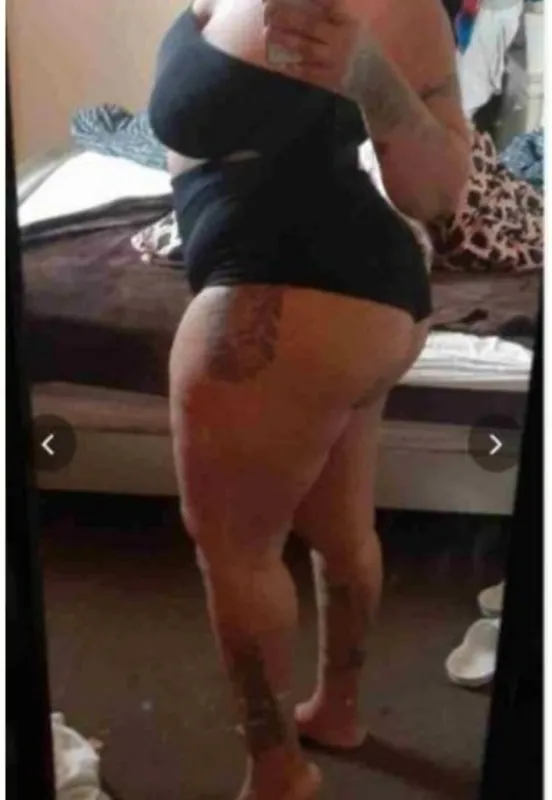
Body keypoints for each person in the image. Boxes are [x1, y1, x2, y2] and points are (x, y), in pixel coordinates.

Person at [148, 1, 471, 798]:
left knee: (235, 555)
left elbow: (440, 195)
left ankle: (277, 773)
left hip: (288, 292)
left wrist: (370, 78)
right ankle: (337, 713)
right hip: (345, 299)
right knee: (340, 527)